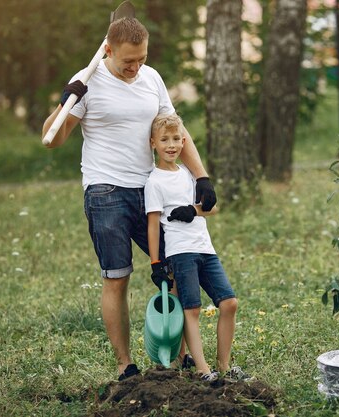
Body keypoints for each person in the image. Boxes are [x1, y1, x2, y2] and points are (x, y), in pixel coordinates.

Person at [41, 17, 216, 381]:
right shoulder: (87, 82)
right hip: (105, 191)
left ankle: (181, 357)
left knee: (177, 265)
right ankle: (126, 366)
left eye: (141, 58)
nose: (135, 67)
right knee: (117, 277)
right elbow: (51, 140)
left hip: (151, 188)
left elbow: (175, 130)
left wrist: (202, 177)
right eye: (128, 62)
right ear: (108, 50)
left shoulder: (151, 78)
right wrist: (64, 103)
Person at [145, 113, 250, 382]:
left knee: (229, 303)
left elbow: (212, 208)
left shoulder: (190, 175)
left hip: (205, 248)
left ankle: (224, 366)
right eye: (165, 140)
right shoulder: (154, 182)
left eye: (177, 139)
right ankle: (203, 370)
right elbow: (153, 226)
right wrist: (156, 263)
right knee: (191, 309)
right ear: (153, 143)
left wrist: (193, 210)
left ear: (184, 141)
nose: (172, 145)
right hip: (181, 253)